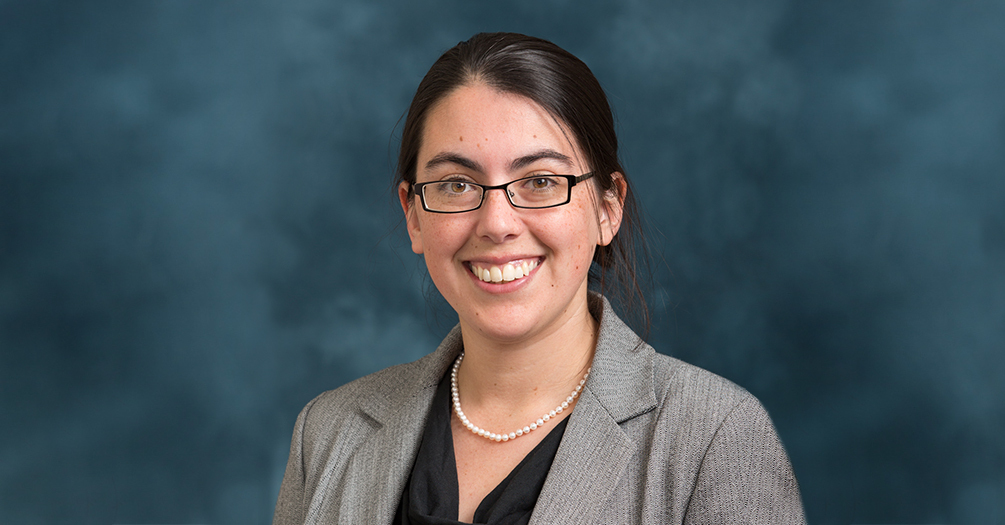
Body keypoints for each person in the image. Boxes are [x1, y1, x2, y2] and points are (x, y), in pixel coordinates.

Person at [273, 32, 805, 525]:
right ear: (414, 215)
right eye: (457, 184)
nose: (497, 224)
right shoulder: (328, 431)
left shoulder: (714, 437)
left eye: (541, 181)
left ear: (608, 208)